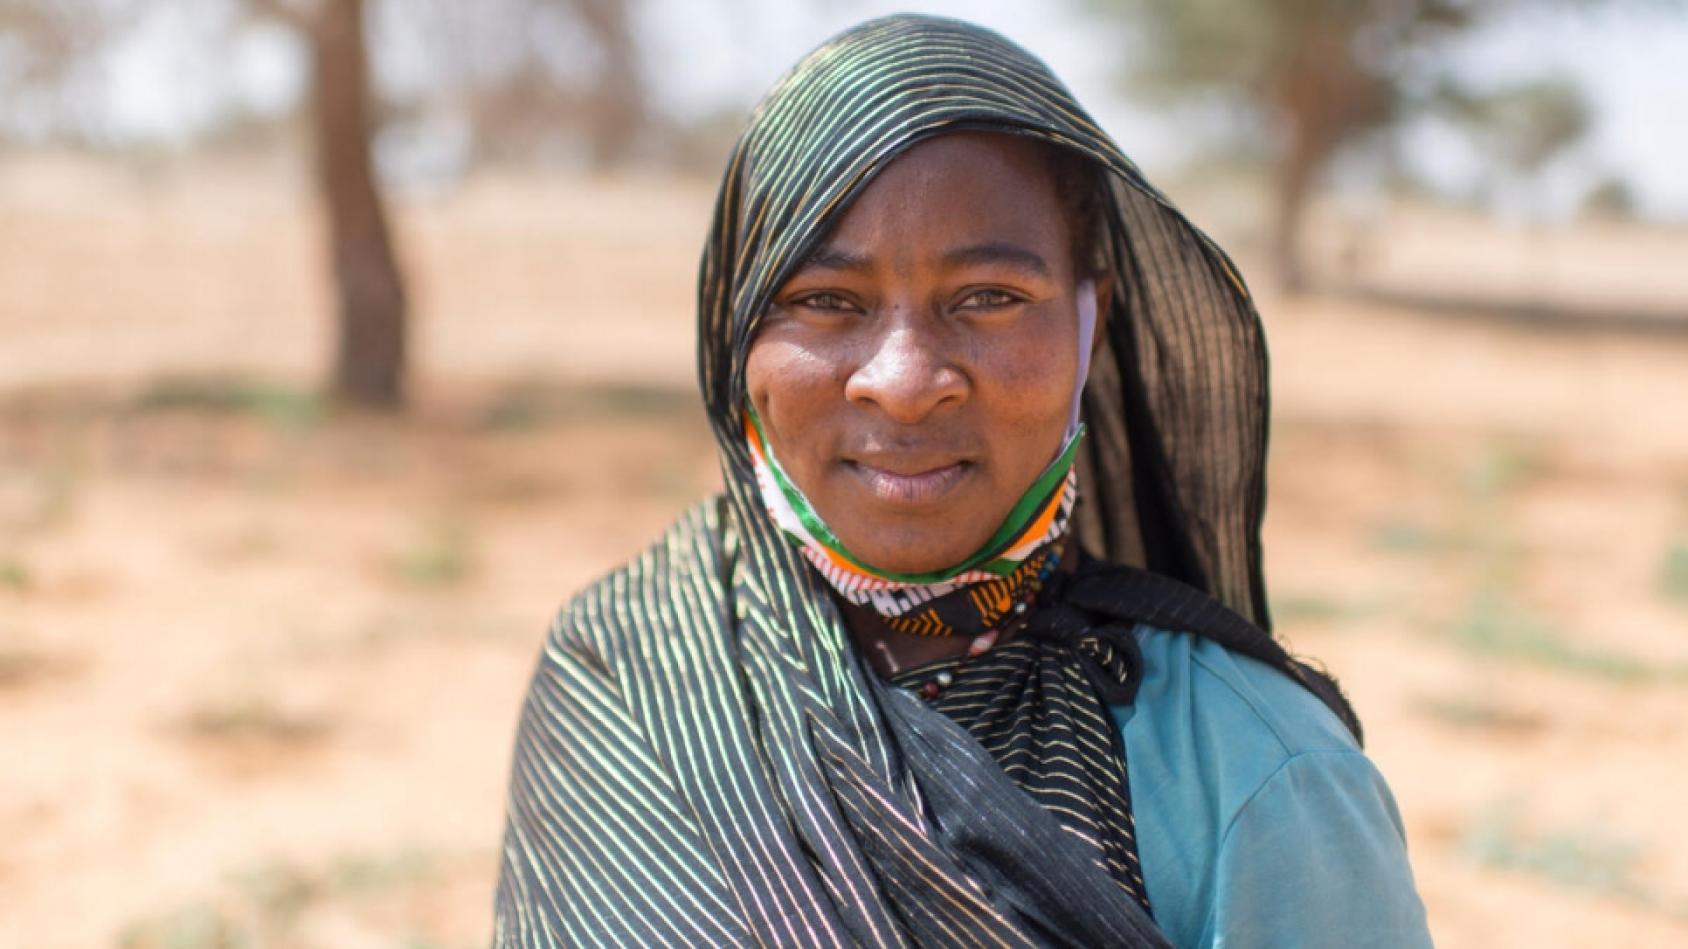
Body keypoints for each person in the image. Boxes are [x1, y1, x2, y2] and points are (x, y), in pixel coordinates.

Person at [493, 14, 1432, 948]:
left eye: (990, 298)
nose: (904, 384)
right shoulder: (623, 666)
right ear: (738, 339)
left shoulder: (1252, 768)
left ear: (1087, 331)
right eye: (825, 301)